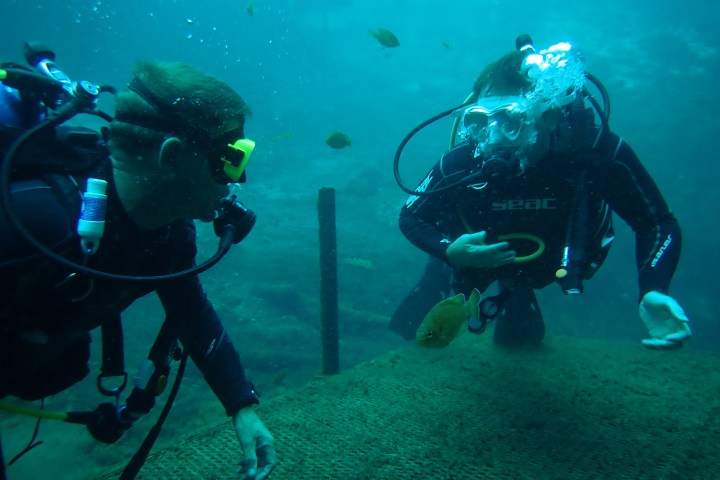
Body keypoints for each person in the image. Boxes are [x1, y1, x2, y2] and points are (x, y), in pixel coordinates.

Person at [0, 56, 276, 480]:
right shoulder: (34, 224)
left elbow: (191, 311)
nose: (238, 179)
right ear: (173, 157)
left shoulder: (168, 232)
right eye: (231, 158)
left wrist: (242, 407)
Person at [392, 35, 691, 351]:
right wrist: (448, 251)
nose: (492, 138)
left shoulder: (595, 153)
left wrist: (654, 289)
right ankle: (459, 278)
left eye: (510, 121)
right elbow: (411, 218)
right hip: (474, 256)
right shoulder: (461, 162)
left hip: (553, 261)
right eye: (479, 122)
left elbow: (656, 223)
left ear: (548, 117)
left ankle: (516, 289)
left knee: (519, 320)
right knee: (446, 281)